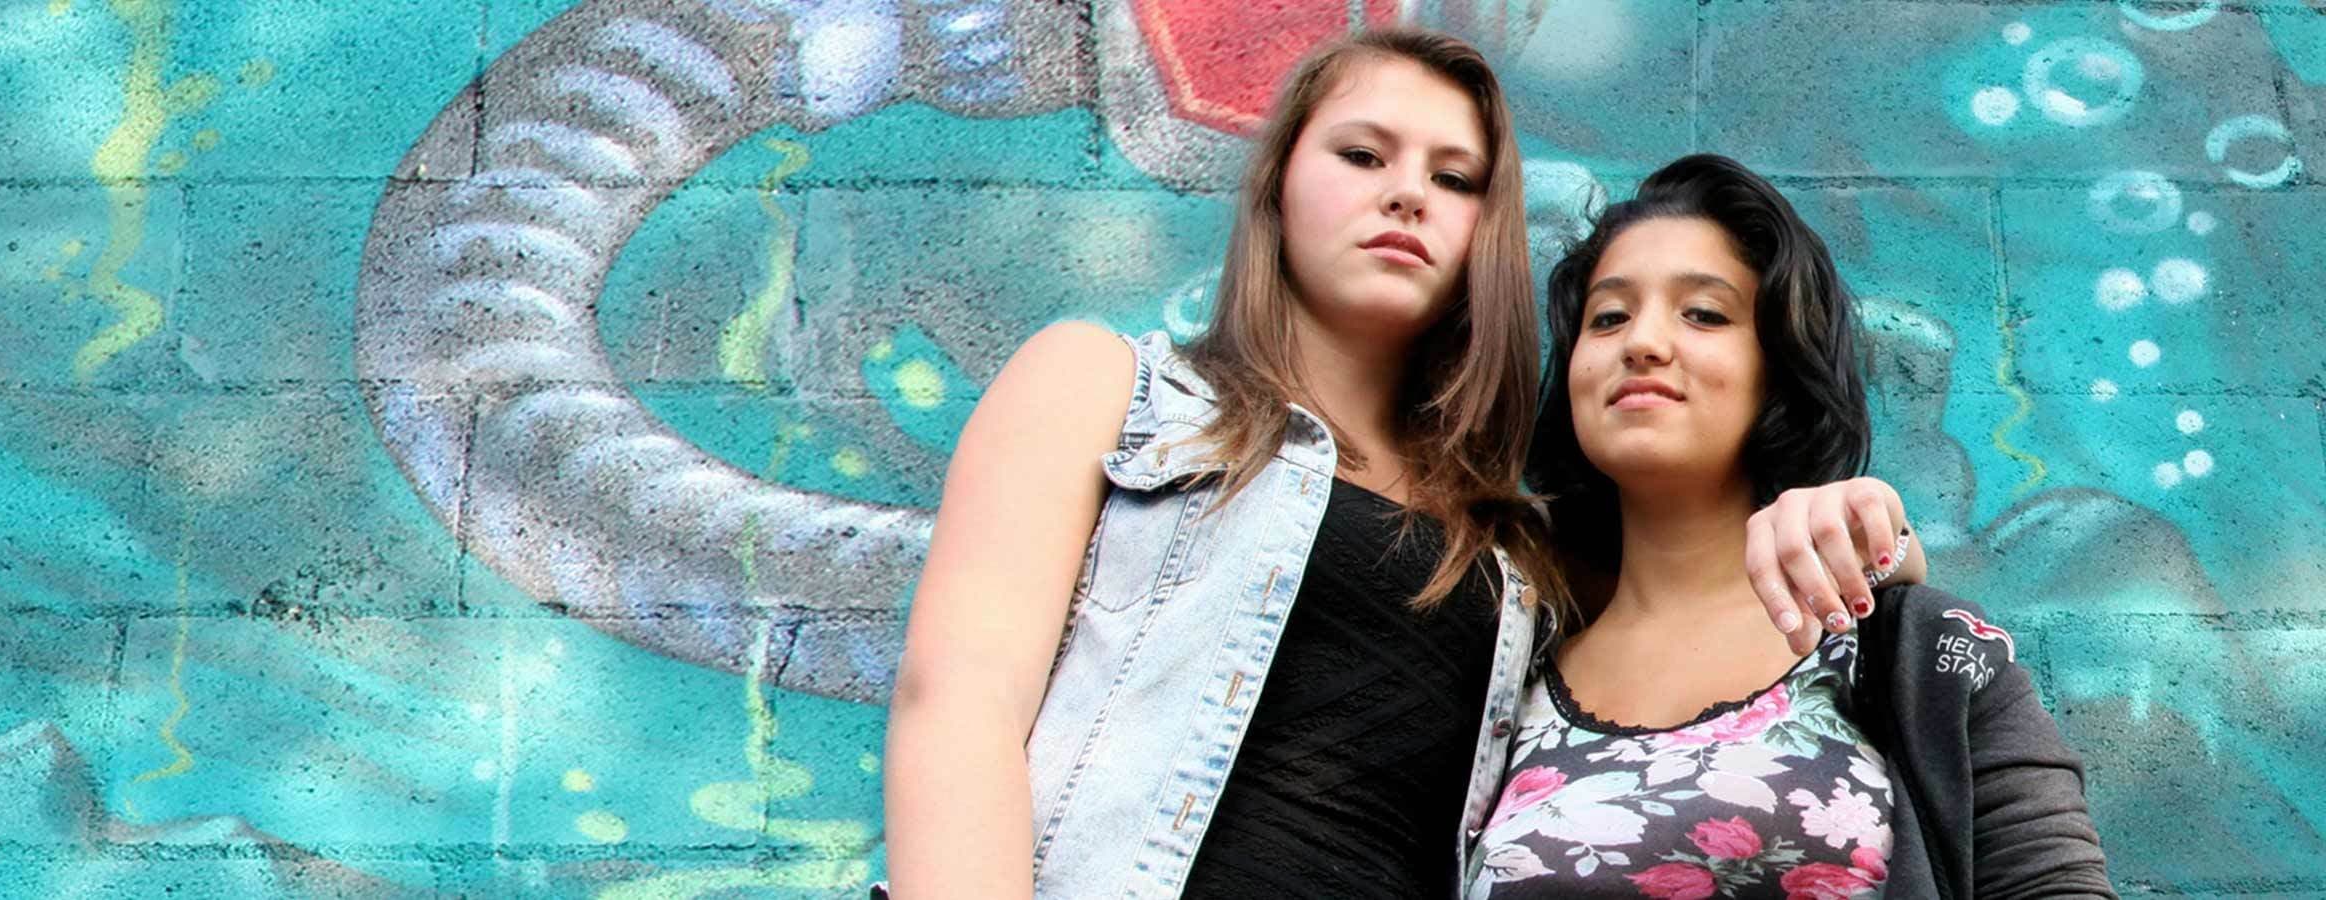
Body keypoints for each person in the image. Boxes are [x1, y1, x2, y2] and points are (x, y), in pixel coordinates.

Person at [883, 30, 1918, 899]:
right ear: (1280, 187)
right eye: (1363, 156)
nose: (1408, 195)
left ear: (1484, 227)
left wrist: (1855, 527)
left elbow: (1730, 611)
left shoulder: (1525, 555)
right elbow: (959, 701)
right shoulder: (1109, 390)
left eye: (1453, 176)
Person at [1468, 154, 2112, 897]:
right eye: (1608, 316)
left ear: (1777, 372)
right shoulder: (1503, 672)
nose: (1641, 342)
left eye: (1704, 313)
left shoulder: (1912, 647)